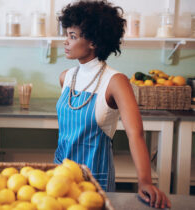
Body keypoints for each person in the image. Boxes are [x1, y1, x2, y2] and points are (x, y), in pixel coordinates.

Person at [55, 1, 171, 208]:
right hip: (60, 175)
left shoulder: (116, 81)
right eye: (67, 35)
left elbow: (135, 133)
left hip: (95, 177)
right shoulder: (66, 77)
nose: (65, 42)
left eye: (72, 36)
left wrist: (144, 181)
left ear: (93, 42)